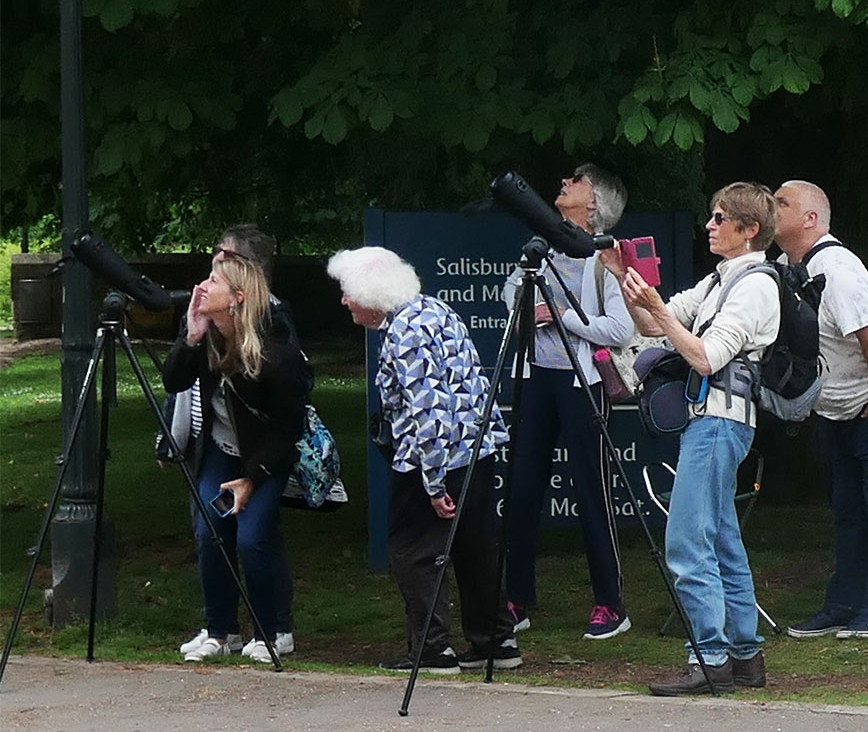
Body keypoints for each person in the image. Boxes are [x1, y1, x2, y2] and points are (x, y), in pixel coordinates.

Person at [619, 183, 782, 696]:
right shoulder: (719, 280)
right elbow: (651, 324)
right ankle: (745, 657)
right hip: (715, 423)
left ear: (748, 230)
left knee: (687, 540)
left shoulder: (755, 285)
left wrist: (661, 314)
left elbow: (706, 357)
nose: (709, 226)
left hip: (719, 422)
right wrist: (620, 278)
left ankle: (709, 657)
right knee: (722, 541)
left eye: (719, 218)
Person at [330, 246, 514, 676]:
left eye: (348, 292)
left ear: (371, 294)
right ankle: (495, 641)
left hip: (433, 456)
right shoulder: (435, 310)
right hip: (476, 446)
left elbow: (427, 411)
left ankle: (432, 649)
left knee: (412, 550)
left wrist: (433, 484)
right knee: (475, 546)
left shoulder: (403, 333)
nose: (344, 301)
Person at [776, 179, 868, 641]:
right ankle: (843, 605)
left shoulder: (836, 270)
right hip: (838, 409)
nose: (771, 207)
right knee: (848, 508)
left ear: (811, 219)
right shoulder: (784, 266)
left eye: (782, 202)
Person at [499, 164, 636, 641]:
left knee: (592, 491)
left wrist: (560, 318)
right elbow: (512, 294)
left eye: (575, 181)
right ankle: (514, 599)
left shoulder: (606, 258)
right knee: (520, 490)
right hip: (534, 376)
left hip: (582, 384)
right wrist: (526, 308)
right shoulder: (542, 245)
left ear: (594, 203)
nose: (563, 182)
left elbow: (621, 329)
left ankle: (610, 603)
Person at [163, 248, 313, 664]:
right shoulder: (209, 333)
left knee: (252, 536)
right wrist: (190, 337)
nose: (201, 287)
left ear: (238, 297)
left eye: (212, 282)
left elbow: (289, 429)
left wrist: (251, 478)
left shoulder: (275, 350)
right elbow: (174, 380)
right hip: (222, 448)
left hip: (269, 454)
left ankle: (272, 632)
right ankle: (219, 631)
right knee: (210, 527)